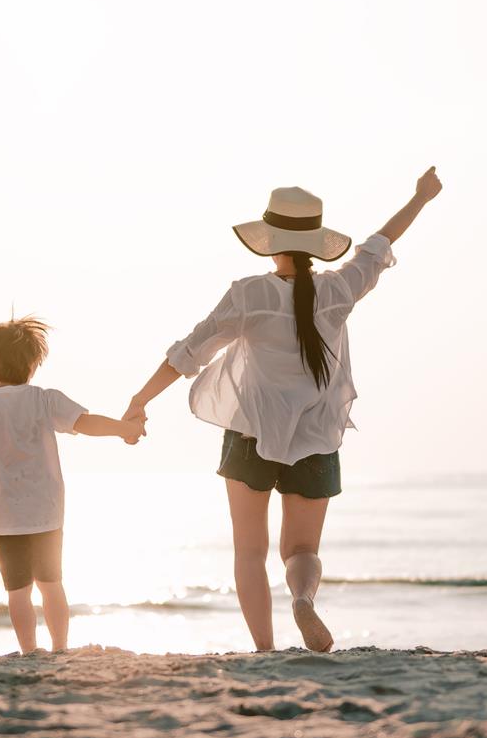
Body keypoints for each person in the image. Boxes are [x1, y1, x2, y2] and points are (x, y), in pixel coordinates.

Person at [124, 168, 444, 652]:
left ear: (269, 241)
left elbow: (189, 354)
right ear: (315, 244)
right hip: (316, 436)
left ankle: (265, 651)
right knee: (301, 550)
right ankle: (302, 598)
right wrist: (420, 197)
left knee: (249, 552)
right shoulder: (340, 290)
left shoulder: (249, 294)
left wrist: (139, 401)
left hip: (251, 433)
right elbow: (379, 244)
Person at [0, 317, 145, 655]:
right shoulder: (45, 399)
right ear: (33, 365)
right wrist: (124, 428)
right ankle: (60, 647)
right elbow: (87, 422)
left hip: (2, 514)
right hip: (46, 511)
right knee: (52, 584)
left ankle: (28, 650)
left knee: (17, 591)